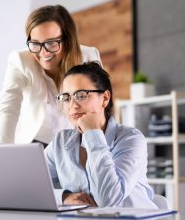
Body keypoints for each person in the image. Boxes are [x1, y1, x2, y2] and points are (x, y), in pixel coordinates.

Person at [45, 61, 157, 208]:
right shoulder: (60, 142)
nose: (72, 105)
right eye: (66, 97)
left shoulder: (131, 139)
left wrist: (93, 133)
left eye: (80, 95)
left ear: (104, 98)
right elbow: (30, 186)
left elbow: (108, 200)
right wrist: (63, 197)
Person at [0, 5, 102, 146]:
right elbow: (8, 106)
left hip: (77, 141)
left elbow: (100, 104)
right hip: (36, 142)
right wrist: (0, 151)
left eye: (51, 43)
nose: (44, 52)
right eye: (35, 44)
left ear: (67, 40)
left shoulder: (88, 56)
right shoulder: (20, 60)